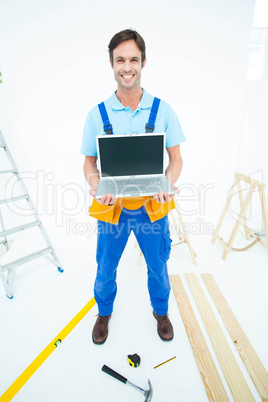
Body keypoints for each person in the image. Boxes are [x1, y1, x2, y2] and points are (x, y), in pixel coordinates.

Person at [81, 29, 185, 345]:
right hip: (111, 209)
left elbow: (176, 158)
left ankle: (161, 312)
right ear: (112, 64)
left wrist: (167, 183)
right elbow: (89, 164)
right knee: (105, 270)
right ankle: (104, 313)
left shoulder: (162, 110)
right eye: (120, 60)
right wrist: (98, 186)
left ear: (143, 62)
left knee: (158, 268)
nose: (127, 67)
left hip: (152, 208)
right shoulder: (96, 115)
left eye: (133, 59)